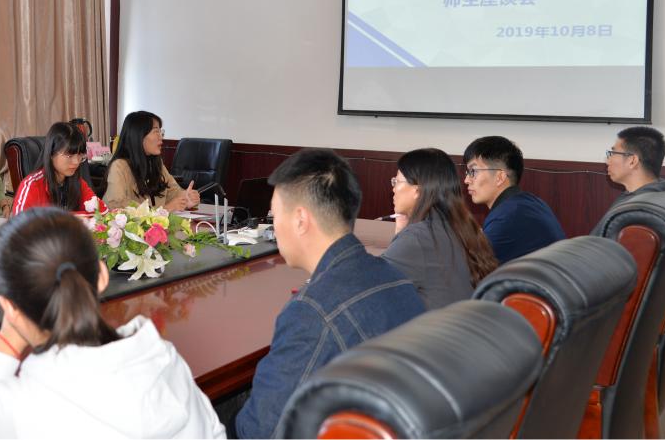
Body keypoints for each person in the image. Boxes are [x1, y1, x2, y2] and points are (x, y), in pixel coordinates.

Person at [0, 207, 225, 439]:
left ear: (9, 308)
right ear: (101, 277)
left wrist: (5, 346)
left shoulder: (16, 405)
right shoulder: (165, 360)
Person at [234, 149, 424, 439]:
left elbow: (259, 431)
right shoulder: (396, 278)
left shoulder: (310, 312)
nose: (272, 225)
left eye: (274, 214)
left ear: (300, 219)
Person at [383, 148, 498, 309]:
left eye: (397, 181)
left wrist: (402, 235)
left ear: (417, 190)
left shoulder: (417, 238)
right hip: (466, 322)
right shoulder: (465, 228)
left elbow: (372, 288)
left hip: (435, 325)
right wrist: (402, 231)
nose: (393, 189)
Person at [463, 136, 565, 264]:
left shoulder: (507, 217)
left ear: (500, 177)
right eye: (467, 172)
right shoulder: (532, 203)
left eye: (473, 171)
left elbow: (470, 267)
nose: (466, 180)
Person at [103, 111, 200, 211]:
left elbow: (173, 191)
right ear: (139, 135)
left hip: (159, 221)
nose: (161, 137)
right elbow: (116, 204)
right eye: (156, 132)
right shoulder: (119, 166)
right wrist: (164, 210)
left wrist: (186, 198)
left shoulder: (156, 164)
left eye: (161, 132)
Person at [12, 122, 107, 216]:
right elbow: (19, 223)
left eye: (80, 155)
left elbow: (103, 211)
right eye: (69, 155)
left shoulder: (77, 181)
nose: (76, 162)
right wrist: (67, 219)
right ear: (51, 153)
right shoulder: (32, 185)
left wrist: (68, 218)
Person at [607, 126, 665, 207]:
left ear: (632, 161)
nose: (608, 161)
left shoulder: (638, 209)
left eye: (613, 153)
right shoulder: (664, 190)